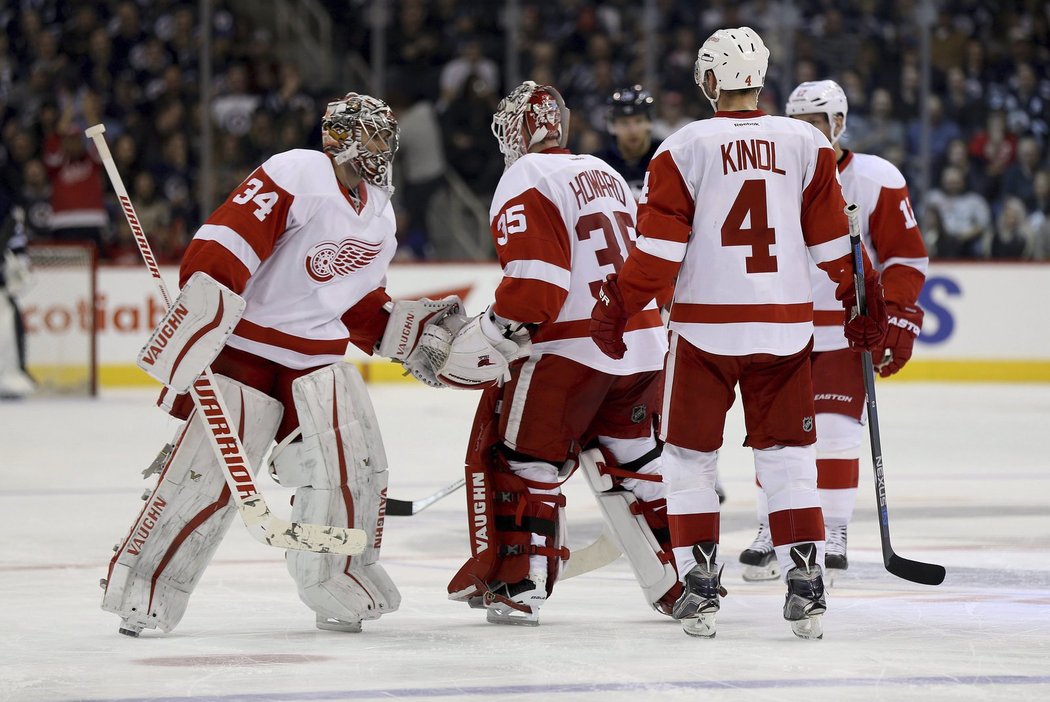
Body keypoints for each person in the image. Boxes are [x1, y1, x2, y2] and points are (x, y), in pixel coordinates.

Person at [101, 92, 459, 637]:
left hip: (316, 360)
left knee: (353, 469)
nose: (384, 148)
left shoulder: (381, 214)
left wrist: (403, 335)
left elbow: (356, 301)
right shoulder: (297, 172)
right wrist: (204, 307)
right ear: (340, 137)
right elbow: (226, 244)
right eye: (374, 134)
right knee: (207, 477)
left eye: (388, 137)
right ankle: (144, 583)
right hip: (247, 352)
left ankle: (337, 578)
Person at [589, 28, 888, 640]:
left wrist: (617, 306)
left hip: (704, 334)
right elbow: (835, 245)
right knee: (789, 460)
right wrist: (865, 301)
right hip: (783, 331)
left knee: (689, 460)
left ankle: (699, 585)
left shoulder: (682, 146)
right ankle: (806, 581)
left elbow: (659, 250)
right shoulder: (806, 142)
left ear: (707, 81)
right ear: (761, 77)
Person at [425, 80, 679, 626]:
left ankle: (521, 584)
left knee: (522, 462)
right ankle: (679, 578)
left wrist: (489, 335)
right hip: (640, 346)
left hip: (570, 350)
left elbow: (537, 288)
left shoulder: (524, 176)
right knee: (636, 465)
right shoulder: (605, 172)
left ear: (523, 131)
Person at [738, 80, 929, 584]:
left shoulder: (875, 177)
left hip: (846, 327)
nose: (808, 133)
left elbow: (904, 256)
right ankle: (769, 526)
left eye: (817, 123)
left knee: (839, 432)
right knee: (774, 436)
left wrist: (900, 314)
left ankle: (837, 527)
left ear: (839, 123)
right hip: (781, 324)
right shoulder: (773, 173)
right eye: (798, 124)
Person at [594, 85, 661, 200]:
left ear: (649, 122)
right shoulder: (598, 165)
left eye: (638, 121)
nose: (632, 130)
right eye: (624, 123)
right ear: (612, 126)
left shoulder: (664, 157)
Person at [0, 199, 36, 399]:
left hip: (1, 293)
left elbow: (19, 255)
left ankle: (14, 373)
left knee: (10, 329)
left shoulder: (10, 216)